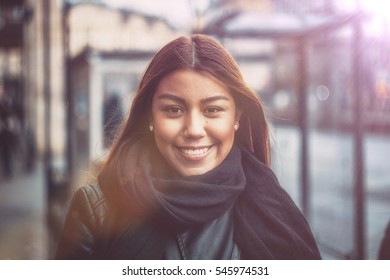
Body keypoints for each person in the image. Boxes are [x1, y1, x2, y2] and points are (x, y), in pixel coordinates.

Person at [55, 34, 321, 260]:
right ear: (150, 117)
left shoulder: (274, 212)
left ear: (237, 117)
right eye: (174, 109)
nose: (194, 129)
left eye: (213, 109)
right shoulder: (95, 209)